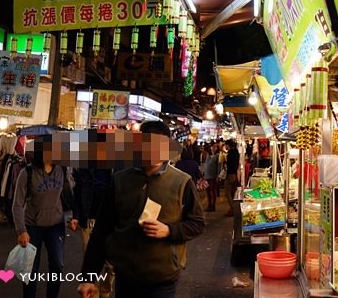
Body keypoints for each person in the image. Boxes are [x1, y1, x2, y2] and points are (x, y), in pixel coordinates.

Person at [77, 120, 205, 298]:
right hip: (125, 276)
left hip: (162, 277)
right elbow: (102, 229)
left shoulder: (182, 182)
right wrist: (89, 276)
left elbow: (197, 223)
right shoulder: (120, 179)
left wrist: (169, 230)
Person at [12, 146, 77, 298]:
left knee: (57, 265)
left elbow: (69, 194)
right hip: (32, 226)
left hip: (55, 225)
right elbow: (17, 204)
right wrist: (21, 230)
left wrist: (75, 215)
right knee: (30, 269)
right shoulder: (27, 173)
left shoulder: (62, 169)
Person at [69, 167, 115, 298]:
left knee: (111, 265)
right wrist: (76, 216)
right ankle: (92, 291)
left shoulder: (118, 168)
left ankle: (105, 292)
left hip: (110, 220)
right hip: (89, 217)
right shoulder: (84, 167)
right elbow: (77, 192)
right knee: (90, 259)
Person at [201, 144, 219, 212]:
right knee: (208, 191)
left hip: (213, 176)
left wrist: (217, 176)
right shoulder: (208, 156)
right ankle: (209, 205)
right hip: (207, 176)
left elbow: (218, 167)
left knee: (213, 191)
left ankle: (213, 205)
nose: (213, 148)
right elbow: (204, 165)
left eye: (215, 147)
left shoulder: (217, 156)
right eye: (212, 147)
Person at [224, 140, 240, 217]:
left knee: (227, 193)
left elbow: (229, 165)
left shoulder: (230, 152)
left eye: (225, 145)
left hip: (230, 174)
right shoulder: (236, 151)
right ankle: (233, 209)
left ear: (228, 145)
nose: (225, 147)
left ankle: (232, 209)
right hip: (235, 174)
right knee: (233, 193)